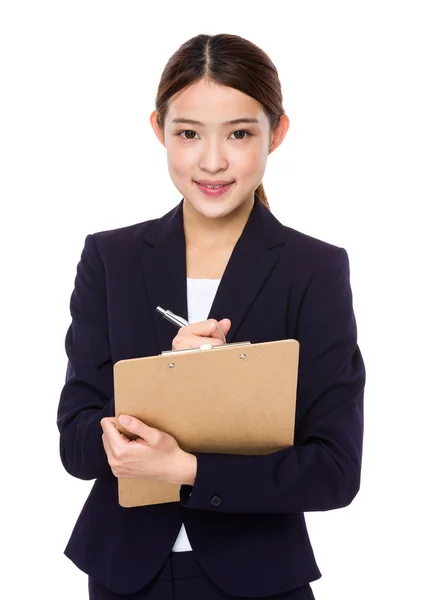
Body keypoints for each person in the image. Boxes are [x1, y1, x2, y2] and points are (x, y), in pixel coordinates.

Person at [57, 33, 366, 600]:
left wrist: (191, 471)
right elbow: (76, 447)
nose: (213, 160)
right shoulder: (111, 260)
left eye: (241, 133)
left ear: (278, 132)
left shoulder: (313, 269)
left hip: (261, 576)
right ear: (159, 130)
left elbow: (335, 471)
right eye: (189, 134)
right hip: (125, 574)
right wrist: (161, 378)